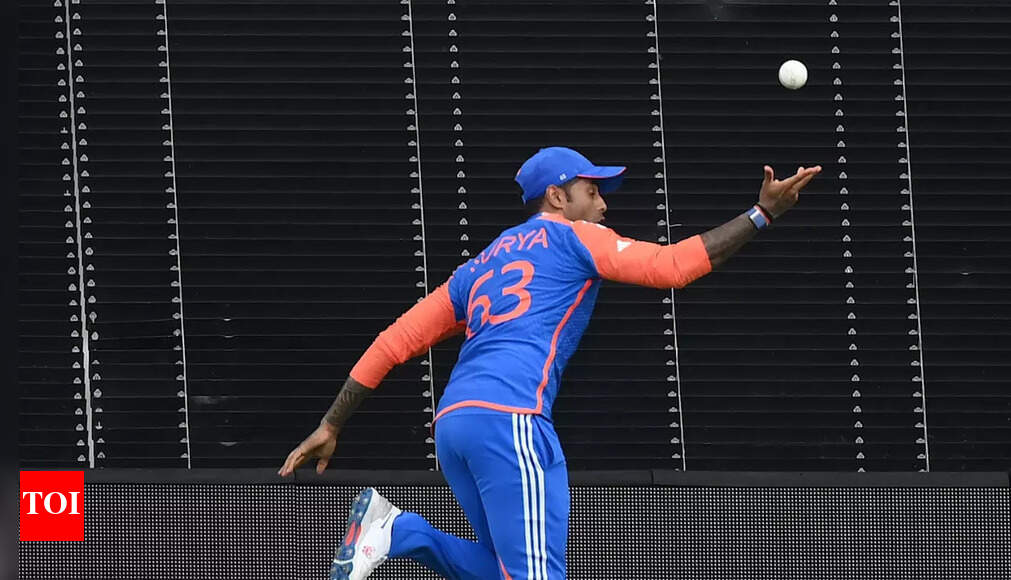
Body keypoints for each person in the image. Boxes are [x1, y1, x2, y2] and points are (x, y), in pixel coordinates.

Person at [278, 146, 821, 580]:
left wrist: (331, 423)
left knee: (502, 570)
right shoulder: (574, 237)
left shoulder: (480, 265)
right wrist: (762, 214)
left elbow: (394, 341)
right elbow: (674, 266)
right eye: (592, 191)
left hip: (456, 425)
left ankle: (400, 532)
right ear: (557, 197)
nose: (603, 204)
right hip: (511, 420)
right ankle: (397, 532)